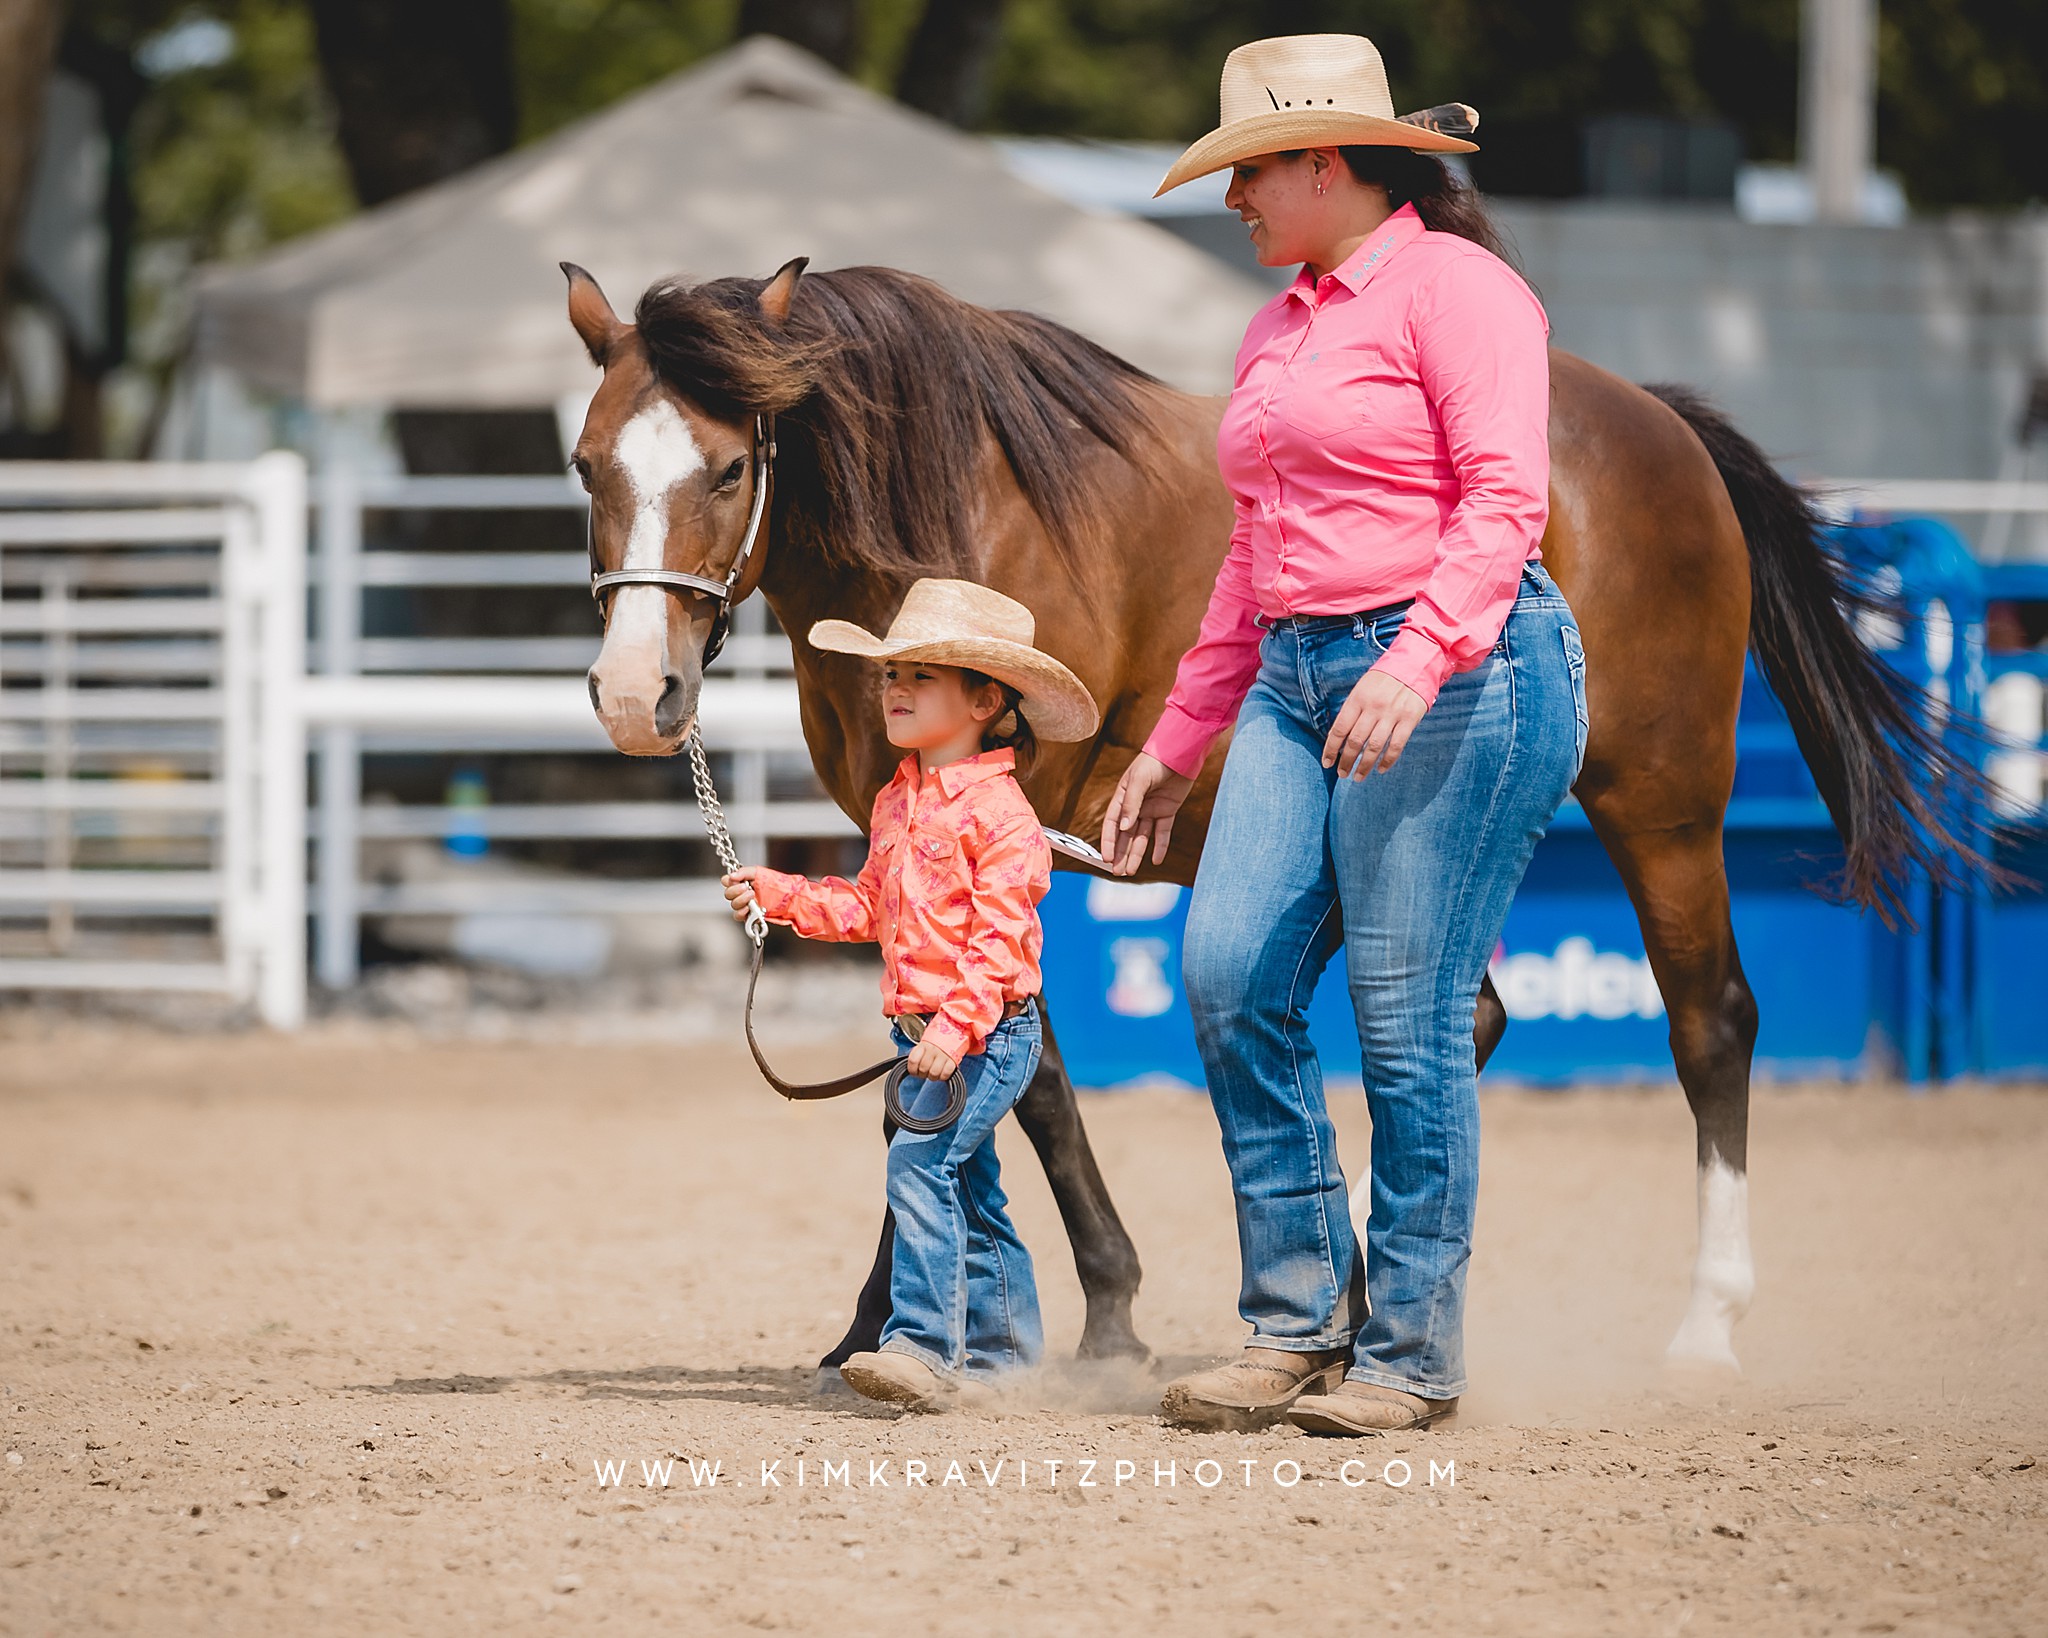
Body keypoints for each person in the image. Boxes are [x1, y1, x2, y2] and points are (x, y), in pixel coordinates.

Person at [1100, 34, 1587, 1436]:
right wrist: (1175, 737)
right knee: (1224, 966)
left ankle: (1412, 1351)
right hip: (1295, 679)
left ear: (1326, 161)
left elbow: (1506, 505)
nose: (1234, 200)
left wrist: (1422, 656)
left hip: (1461, 672)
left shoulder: (1463, 290)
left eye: (1250, 173)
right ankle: (1300, 1318)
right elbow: (1254, 552)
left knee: (1405, 1010)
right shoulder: (1281, 322)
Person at [724, 578, 1101, 1411]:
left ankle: (924, 1346)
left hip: (984, 1033)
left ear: (984, 699)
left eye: (918, 676)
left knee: (919, 1167)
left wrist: (956, 1028)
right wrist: (780, 896)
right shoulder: (896, 799)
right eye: (891, 674)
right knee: (968, 1186)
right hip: (926, 1033)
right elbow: (872, 906)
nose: (892, 689)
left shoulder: (1001, 816)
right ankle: (1006, 1360)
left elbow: (1000, 944)